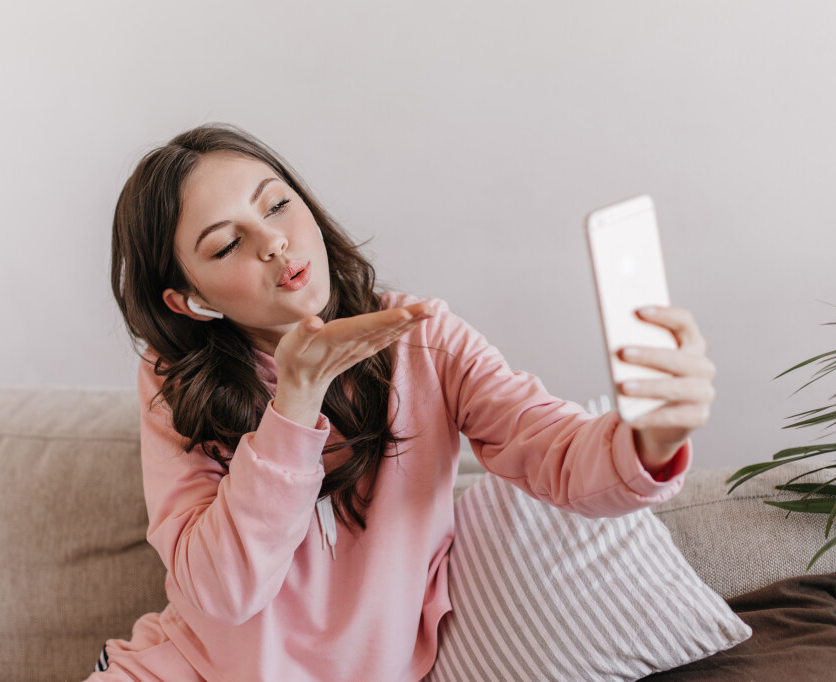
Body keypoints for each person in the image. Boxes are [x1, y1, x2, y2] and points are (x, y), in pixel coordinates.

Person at [88, 122, 715, 682]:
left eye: (278, 204)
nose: (274, 243)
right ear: (192, 301)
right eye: (227, 245)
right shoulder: (173, 384)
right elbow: (223, 593)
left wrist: (650, 441)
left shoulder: (421, 338)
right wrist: (295, 405)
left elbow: (552, 448)